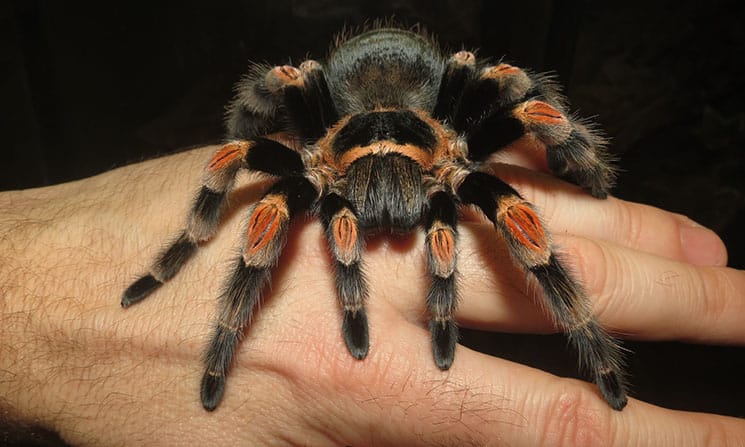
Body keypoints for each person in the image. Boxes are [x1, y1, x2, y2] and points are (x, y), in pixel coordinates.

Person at [1, 144, 743, 446]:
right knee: (254, 190)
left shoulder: (452, 152)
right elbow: (235, 149)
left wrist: (570, 147)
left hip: (428, 150)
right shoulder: (315, 159)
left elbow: (521, 98)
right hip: (346, 148)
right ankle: (223, 336)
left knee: (520, 213)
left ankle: (598, 355)